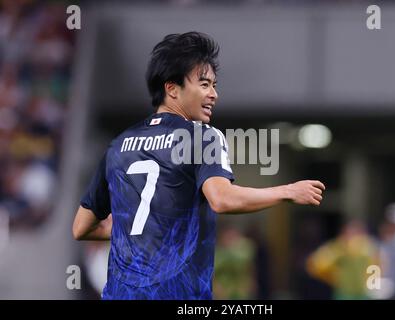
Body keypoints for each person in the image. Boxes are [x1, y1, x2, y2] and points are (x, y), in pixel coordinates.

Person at [72, 31, 326, 300]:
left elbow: (81, 227)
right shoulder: (202, 136)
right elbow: (222, 199)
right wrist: (287, 191)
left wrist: (138, 228)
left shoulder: (118, 145)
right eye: (204, 84)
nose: (214, 94)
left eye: (214, 85)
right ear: (172, 88)